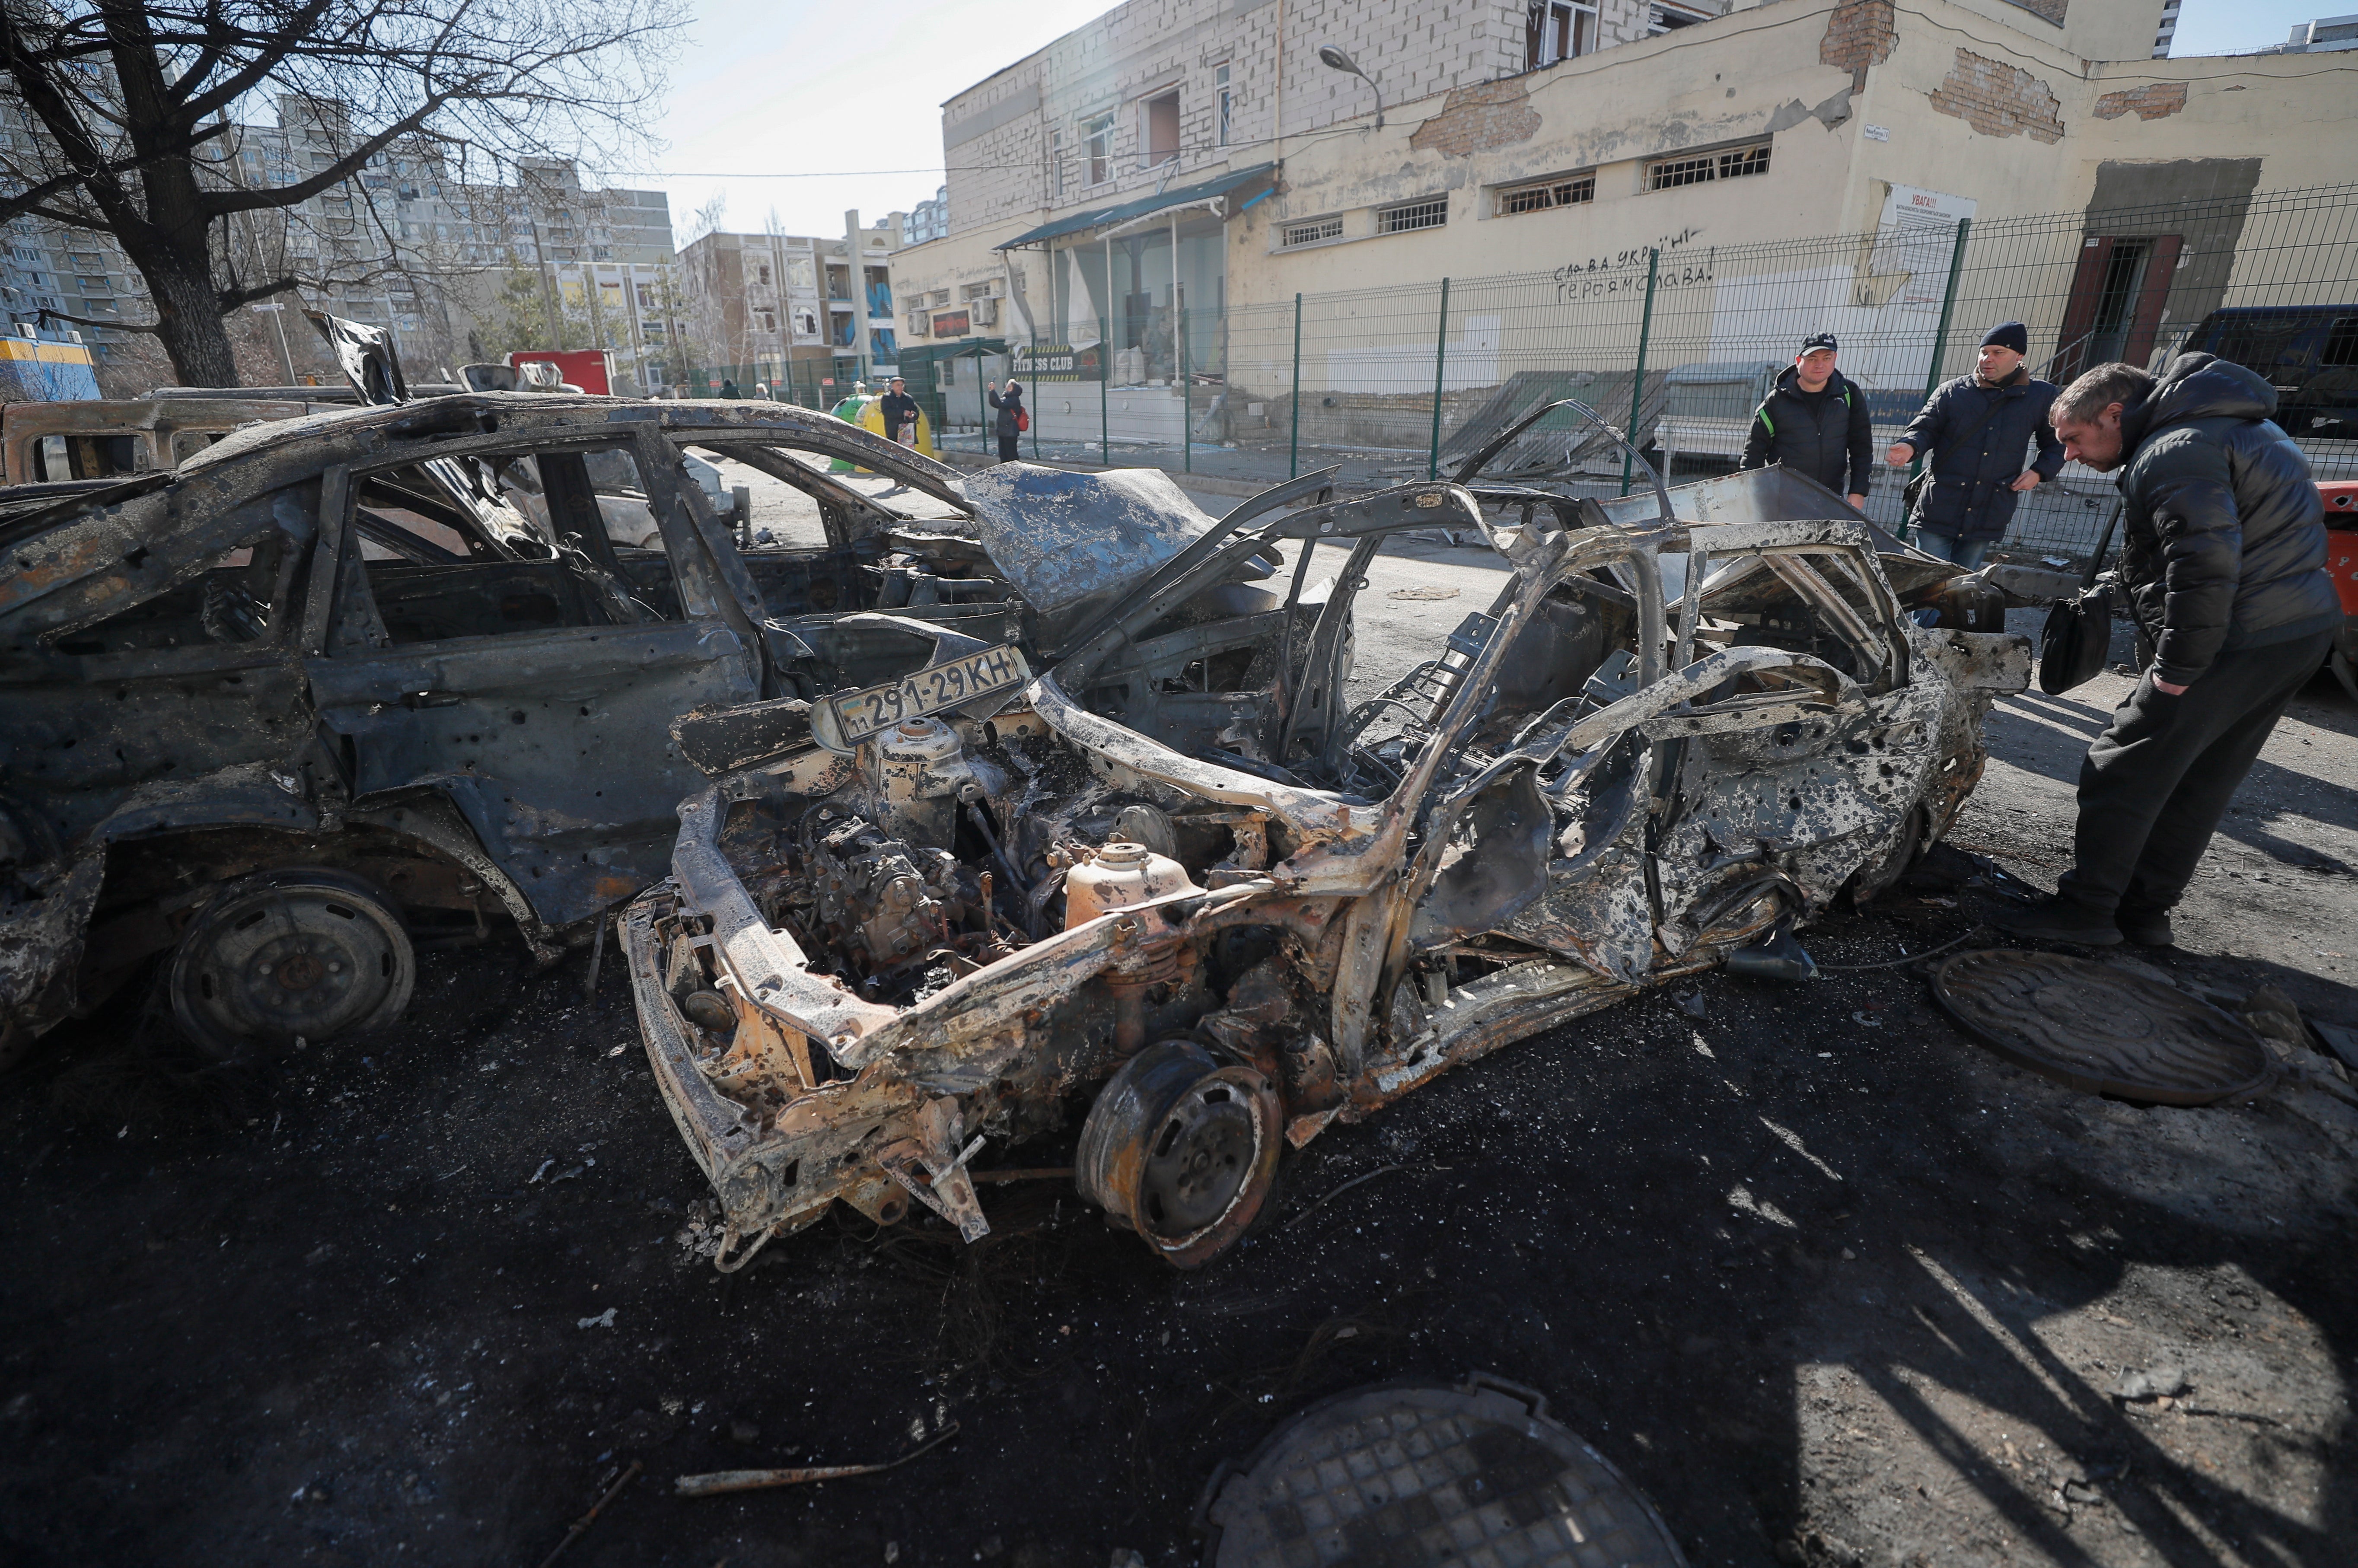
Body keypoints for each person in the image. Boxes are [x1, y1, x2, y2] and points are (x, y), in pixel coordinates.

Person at [1999, 354, 2339, 948]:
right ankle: (2144, 915)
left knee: (2121, 765)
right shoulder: (2242, 426)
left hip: (2232, 635)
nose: (2070, 455)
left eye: (2074, 438)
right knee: (2201, 779)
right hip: (2299, 630)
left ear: (2114, 413)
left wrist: (2177, 670)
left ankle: (2085, 915)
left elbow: (2205, 563)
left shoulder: (2172, 448)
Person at [1886, 322, 2064, 567]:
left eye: (1998, 353)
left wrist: (2039, 472)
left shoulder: (2041, 396)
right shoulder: (1951, 392)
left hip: (1989, 510)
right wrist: (1910, 446)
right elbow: (1924, 428)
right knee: (1927, 586)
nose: (1987, 359)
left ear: (2019, 356)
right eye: (1984, 352)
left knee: (1961, 588)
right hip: (1939, 506)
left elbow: (2058, 443)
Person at [1740, 331, 1872, 509]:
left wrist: (1858, 492)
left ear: (1835, 358)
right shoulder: (1775, 402)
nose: (1820, 365)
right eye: (1812, 359)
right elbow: (1753, 456)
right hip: (1783, 503)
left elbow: (1862, 447)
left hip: (1831, 500)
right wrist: (1754, 499)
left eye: (1827, 358)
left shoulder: (1849, 395)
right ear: (1798, 360)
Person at [987, 379, 1025, 464]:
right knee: (1003, 455)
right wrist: (991, 392)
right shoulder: (1006, 398)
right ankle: (1005, 472)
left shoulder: (1014, 399)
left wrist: (993, 391)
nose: (1007, 387)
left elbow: (1000, 404)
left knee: (1011, 456)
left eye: (1009, 386)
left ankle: (1016, 472)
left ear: (1014, 389)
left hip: (1010, 432)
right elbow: (996, 404)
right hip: (1003, 431)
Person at [879, 377, 921, 447]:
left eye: (902, 385)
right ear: (892, 386)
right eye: (898, 385)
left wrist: (913, 414)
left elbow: (916, 410)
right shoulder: (887, 398)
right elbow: (887, 412)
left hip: (908, 431)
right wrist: (903, 413)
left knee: (908, 453)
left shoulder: (908, 398)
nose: (900, 387)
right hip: (894, 431)